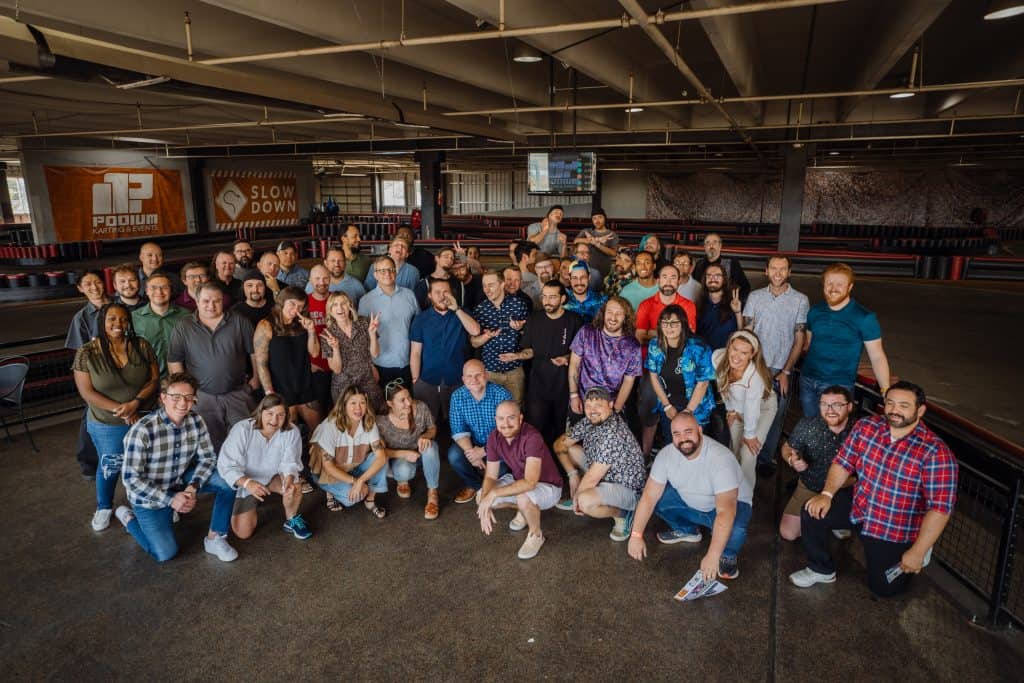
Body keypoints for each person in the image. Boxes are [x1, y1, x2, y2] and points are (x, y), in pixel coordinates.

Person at [792, 382, 958, 597]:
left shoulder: (936, 453)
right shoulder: (867, 427)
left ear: (921, 410)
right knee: (812, 511)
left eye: (904, 405)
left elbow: (940, 508)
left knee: (883, 589)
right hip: (861, 506)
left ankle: (923, 546)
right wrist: (826, 495)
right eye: (890, 403)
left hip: (893, 526)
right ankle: (821, 569)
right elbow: (843, 462)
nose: (894, 410)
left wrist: (917, 551)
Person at [116, 372, 239, 563]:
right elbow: (131, 480)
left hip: (180, 480)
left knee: (228, 481)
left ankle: (216, 538)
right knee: (165, 554)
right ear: (163, 398)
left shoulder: (196, 421)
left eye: (189, 397)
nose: (183, 403)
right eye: (176, 397)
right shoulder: (142, 431)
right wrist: (171, 500)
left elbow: (207, 459)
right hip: (149, 496)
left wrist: (192, 488)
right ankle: (129, 519)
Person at [627, 412, 752, 580]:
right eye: (676, 434)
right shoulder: (665, 456)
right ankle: (688, 531)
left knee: (736, 528)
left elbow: (726, 513)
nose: (683, 438)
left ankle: (727, 554)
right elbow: (649, 497)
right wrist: (636, 535)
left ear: (699, 430)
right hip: (692, 503)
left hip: (726, 508)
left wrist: (713, 556)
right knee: (658, 499)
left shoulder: (720, 458)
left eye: (688, 431)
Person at [73, 302, 160, 531]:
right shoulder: (86, 353)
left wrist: (135, 403)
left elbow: (153, 379)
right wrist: (122, 409)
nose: (118, 324)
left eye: (123, 319)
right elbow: (87, 392)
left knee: (148, 463)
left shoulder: (141, 345)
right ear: (102, 322)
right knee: (110, 464)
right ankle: (104, 506)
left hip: (142, 416)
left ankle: (150, 502)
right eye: (112, 319)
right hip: (107, 422)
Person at [167, 282, 258, 450]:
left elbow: (254, 353)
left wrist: (256, 379)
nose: (211, 305)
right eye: (206, 301)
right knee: (209, 443)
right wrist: (185, 393)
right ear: (197, 301)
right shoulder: (184, 326)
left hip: (237, 392)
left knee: (247, 439)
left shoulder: (239, 321)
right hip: (202, 396)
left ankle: (244, 475)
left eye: (216, 301)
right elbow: (175, 361)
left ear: (223, 301)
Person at [742, 255, 809, 474]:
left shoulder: (800, 300)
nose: (778, 273)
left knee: (776, 415)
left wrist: (786, 371)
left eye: (782, 269)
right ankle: (745, 457)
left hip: (781, 368)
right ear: (766, 271)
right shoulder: (755, 297)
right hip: (756, 366)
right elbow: (748, 332)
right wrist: (747, 365)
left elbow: (799, 339)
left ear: (789, 272)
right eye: (773, 268)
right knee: (749, 412)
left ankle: (764, 459)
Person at [553, 387, 646, 541]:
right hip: (604, 474)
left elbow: (592, 478)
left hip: (628, 488)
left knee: (584, 501)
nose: (592, 410)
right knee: (570, 449)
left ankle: (623, 514)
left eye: (598, 405)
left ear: (610, 405)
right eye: (589, 406)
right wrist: (572, 475)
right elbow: (559, 445)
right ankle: (585, 491)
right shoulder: (589, 421)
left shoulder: (613, 432)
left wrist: (577, 498)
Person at [801, 263, 891, 417]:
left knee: (833, 434)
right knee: (810, 429)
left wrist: (886, 390)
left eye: (839, 284)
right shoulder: (815, 311)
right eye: (829, 283)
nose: (833, 288)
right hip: (808, 380)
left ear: (850, 287)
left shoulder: (864, 317)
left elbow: (877, 356)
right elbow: (808, 344)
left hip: (838, 385)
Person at [217, 393, 311, 541]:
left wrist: (288, 479)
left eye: (280, 415)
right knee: (243, 533)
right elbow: (226, 466)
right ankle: (236, 504)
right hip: (245, 482)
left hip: (272, 477)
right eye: (270, 414)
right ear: (260, 412)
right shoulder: (242, 429)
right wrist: (248, 483)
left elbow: (290, 462)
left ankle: (291, 519)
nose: (274, 420)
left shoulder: (291, 431)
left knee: (295, 486)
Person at [478, 401, 564, 560]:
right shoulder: (493, 437)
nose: (505, 424)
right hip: (520, 480)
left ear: (520, 418)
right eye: (501, 419)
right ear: (495, 419)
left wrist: (494, 493)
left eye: (511, 418)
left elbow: (531, 482)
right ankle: (524, 511)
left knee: (522, 497)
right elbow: (490, 476)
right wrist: (485, 500)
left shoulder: (532, 437)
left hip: (548, 486)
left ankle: (536, 535)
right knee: (482, 497)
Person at [779, 386, 854, 541]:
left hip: (844, 491)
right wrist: (792, 460)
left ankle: (832, 519)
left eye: (837, 405)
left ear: (850, 406)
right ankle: (823, 519)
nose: (830, 410)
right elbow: (787, 447)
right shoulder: (809, 424)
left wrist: (851, 480)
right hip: (810, 485)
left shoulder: (860, 430)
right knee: (788, 533)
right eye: (824, 404)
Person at [644, 305, 718, 454]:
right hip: (670, 405)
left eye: (674, 323)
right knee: (671, 446)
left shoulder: (699, 347)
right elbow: (653, 376)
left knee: (696, 448)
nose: (668, 327)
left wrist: (688, 412)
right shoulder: (655, 345)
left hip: (696, 407)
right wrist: (666, 406)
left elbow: (703, 383)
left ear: (683, 324)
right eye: (664, 323)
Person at [517, 281, 584, 446]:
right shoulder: (534, 318)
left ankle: (561, 468)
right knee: (536, 428)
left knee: (561, 430)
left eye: (552, 297)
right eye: (544, 296)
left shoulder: (574, 320)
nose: (547, 301)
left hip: (564, 385)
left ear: (562, 299)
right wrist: (517, 355)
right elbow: (530, 350)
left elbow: (581, 353)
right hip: (538, 384)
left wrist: (567, 358)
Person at [308, 385, 389, 518]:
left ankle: (370, 500)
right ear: (344, 404)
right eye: (353, 403)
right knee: (352, 499)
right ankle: (330, 492)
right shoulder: (330, 426)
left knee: (381, 459)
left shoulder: (368, 422)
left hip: (353, 466)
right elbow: (328, 467)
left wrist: (360, 481)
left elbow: (380, 457)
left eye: (362, 402)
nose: (358, 408)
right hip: (327, 474)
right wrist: (355, 482)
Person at [410, 277, 481, 424]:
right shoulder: (420, 319)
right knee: (427, 422)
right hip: (427, 378)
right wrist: (415, 379)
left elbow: (475, 331)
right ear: (430, 295)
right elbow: (415, 352)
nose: (442, 296)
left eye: (446, 292)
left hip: (456, 378)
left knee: (457, 422)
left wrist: (457, 309)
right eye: (437, 292)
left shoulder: (462, 313)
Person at [713, 330, 778, 489]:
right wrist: (731, 410)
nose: (737, 355)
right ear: (729, 346)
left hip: (762, 409)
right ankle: (730, 488)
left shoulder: (755, 376)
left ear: (752, 355)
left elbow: (752, 406)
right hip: (737, 407)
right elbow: (722, 386)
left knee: (748, 454)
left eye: (744, 352)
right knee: (733, 448)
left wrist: (749, 435)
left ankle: (745, 497)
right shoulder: (717, 357)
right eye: (734, 349)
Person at [253, 286, 322, 429]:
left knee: (317, 429)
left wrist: (311, 331)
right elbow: (261, 363)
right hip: (280, 388)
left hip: (304, 383)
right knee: (288, 432)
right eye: (292, 304)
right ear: (282, 301)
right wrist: (269, 392)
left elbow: (314, 353)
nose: (296, 310)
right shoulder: (266, 325)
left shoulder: (302, 323)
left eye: (300, 307)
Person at [447, 359, 513, 503]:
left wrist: (485, 451)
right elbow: (458, 430)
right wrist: (473, 454)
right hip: (474, 442)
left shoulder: (502, 395)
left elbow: (509, 432)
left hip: (499, 444)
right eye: (469, 376)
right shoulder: (457, 396)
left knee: (501, 469)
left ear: (486, 375)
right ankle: (475, 485)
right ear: (463, 379)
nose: (474, 380)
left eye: (478, 375)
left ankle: (489, 484)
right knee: (454, 455)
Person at [568, 297, 642, 420]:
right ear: (603, 313)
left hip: (610, 404)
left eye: (618, 314)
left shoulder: (632, 346)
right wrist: (574, 395)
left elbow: (628, 381)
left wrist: (616, 410)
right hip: (582, 400)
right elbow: (574, 364)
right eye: (610, 312)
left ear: (626, 317)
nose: (613, 318)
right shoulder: (587, 332)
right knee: (574, 437)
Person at [66, 270, 109, 479]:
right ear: (80, 288)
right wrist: (88, 383)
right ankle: (89, 463)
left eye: (98, 282)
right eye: (88, 284)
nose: (94, 287)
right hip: (98, 375)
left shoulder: (118, 307)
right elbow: (80, 355)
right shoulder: (81, 318)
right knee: (91, 417)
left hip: (126, 372)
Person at [378, 379, 441, 520]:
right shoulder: (381, 422)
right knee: (404, 471)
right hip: (401, 459)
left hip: (422, 454)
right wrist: (404, 454)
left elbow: (432, 428)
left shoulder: (420, 407)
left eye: (409, 397)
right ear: (390, 404)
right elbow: (378, 451)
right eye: (402, 400)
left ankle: (432, 494)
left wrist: (426, 435)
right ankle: (402, 480)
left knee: (430, 448)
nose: (408, 403)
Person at [358, 256, 419, 388]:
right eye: (382, 271)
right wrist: (370, 366)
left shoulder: (410, 296)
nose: (388, 274)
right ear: (375, 275)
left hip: (406, 363)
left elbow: (419, 327)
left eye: (391, 270)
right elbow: (361, 338)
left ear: (396, 272)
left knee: (405, 405)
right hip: (379, 365)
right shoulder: (366, 301)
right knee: (383, 408)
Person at [470, 270, 529, 403]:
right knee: (491, 412)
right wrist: (486, 336)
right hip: (490, 371)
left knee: (515, 408)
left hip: (514, 370)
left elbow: (530, 337)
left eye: (491, 285)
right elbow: (474, 343)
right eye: (484, 286)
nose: (487, 289)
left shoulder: (518, 304)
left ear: (502, 284)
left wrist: (521, 328)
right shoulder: (480, 310)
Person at [322, 291, 384, 409]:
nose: (340, 308)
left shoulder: (364, 323)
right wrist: (335, 348)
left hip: (367, 380)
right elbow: (336, 369)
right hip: (343, 385)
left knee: (375, 415)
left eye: (343, 303)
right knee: (349, 421)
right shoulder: (327, 334)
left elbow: (375, 354)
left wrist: (372, 334)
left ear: (350, 305)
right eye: (334, 304)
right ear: (330, 310)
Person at [132, 272, 190, 377]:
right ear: (147, 291)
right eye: (153, 288)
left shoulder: (186, 315)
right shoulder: (134, 318)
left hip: (182, 378)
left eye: (164, 287)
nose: (159, 291)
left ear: (171, 291)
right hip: (147, 379)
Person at [635, 265, 697, 351]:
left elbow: (688, 337)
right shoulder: (645, 305)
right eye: (664, 277)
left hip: (679, 356)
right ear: (658, 281)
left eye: (673, 278)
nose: (668, 282)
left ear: (679, 282)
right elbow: (640, 338)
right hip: (651, 355)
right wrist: (674, 333)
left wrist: (652, 332)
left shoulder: (688, 305)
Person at [693, 233, 751, 301]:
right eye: (708, 243)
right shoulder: (698, 265)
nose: (711, 245)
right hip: (703, 304)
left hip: (725, 305)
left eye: (714, 242)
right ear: (704, 247)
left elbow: (745, 287)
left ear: (720, 246)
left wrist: (736, 302)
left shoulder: (732, 264)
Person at [696, 263, 742, 350]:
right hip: (704, 356)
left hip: (727, 355)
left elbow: (742, 332)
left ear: (724, 279)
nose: (713, 279)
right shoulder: (699, 304)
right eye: (709, 276)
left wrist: (738, 312)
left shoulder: (735, 301)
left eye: (717, 275)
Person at [574, 208, 619, 279]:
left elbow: (614, 253)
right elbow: (575, 241)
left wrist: (597, 244)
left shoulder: (612, 234)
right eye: (594, 218)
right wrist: (595, 240)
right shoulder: (586, 231)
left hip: (604, 271)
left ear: (605, 218)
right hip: (586, 270)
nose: (597, 221)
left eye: (600, 217)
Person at [513, 241, 542, 306]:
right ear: (524, 257)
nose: (536, 258)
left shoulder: (536, 276)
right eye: (534, 255)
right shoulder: (535, 278)